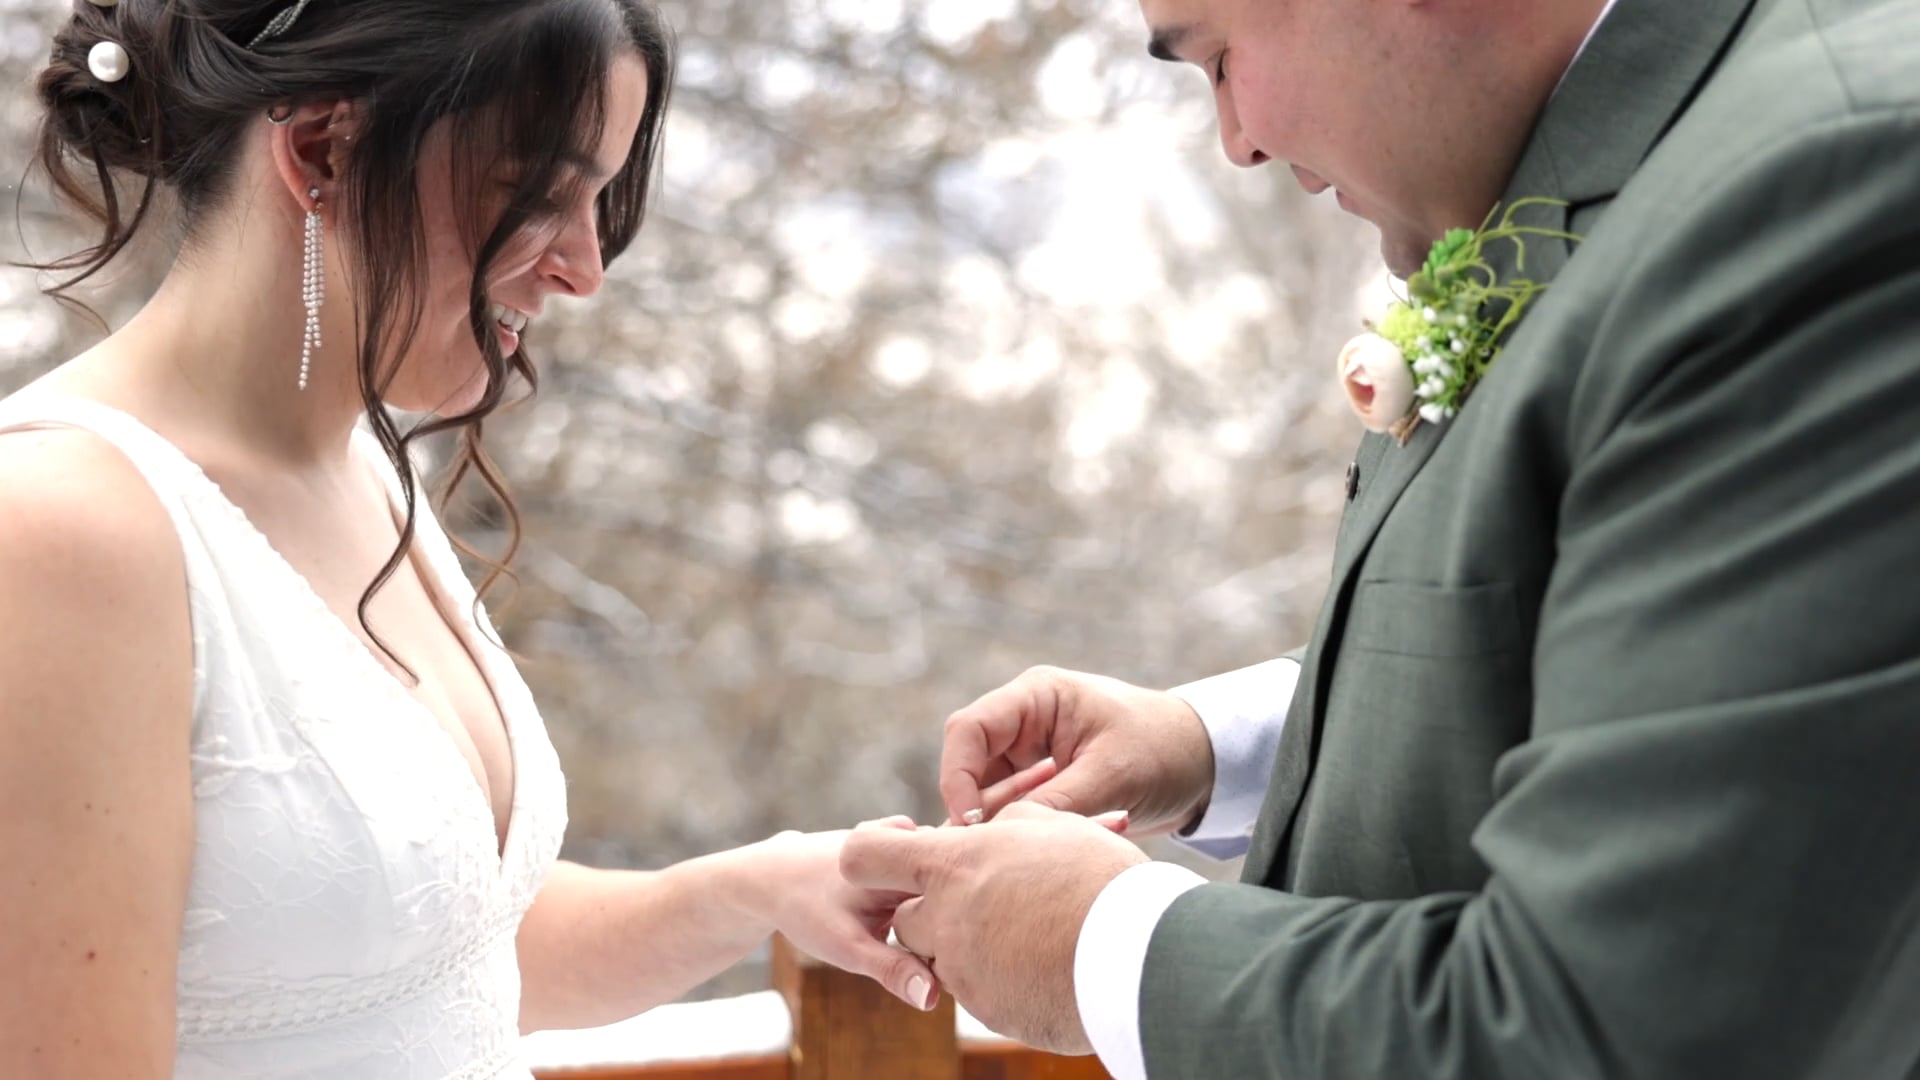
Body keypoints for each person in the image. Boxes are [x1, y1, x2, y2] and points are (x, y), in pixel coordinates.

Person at [840, 0, 1920, 1076]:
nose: (1240, 139)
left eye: (1220, 58)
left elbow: (1616, 1025)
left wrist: (1103, 945)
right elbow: (1631, 629)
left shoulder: (1823, 192)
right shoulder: (1610, 161)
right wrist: (1217, 747)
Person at [0, 2, 942, 1076]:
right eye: (543, 195)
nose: (586, 267)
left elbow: (434, 949)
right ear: (321, 149)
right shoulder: (57, 534)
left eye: (600, 200)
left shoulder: (360, 473)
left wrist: (763, 889)